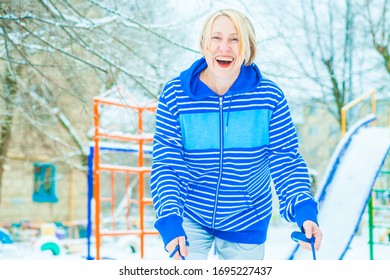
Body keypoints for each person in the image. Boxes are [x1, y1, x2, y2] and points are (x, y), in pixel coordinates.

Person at [150, 8, 322, 260]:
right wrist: (170, 218)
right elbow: (167, 163)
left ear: (248, 47)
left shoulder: (268, 97)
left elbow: (286, 160)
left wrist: (304, 209)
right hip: (189, 213)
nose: (225, 47)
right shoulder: (176, 95)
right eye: (216, 38)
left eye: (235, 39)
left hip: (247, 216)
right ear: (204, 44)